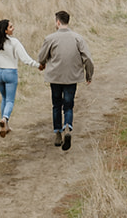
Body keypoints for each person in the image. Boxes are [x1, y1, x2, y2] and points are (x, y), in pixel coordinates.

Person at [34, 9, 93, 150]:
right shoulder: (78, 38)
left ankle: (58, 133)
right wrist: (88, 75)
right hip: (72, 77)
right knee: (68, 105)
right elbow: (88, 58)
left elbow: (41, 57)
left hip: (55, 77)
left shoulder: (50, 38)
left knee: (56, 105)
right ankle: (67, 126)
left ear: (58, 22)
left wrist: (42, 64)